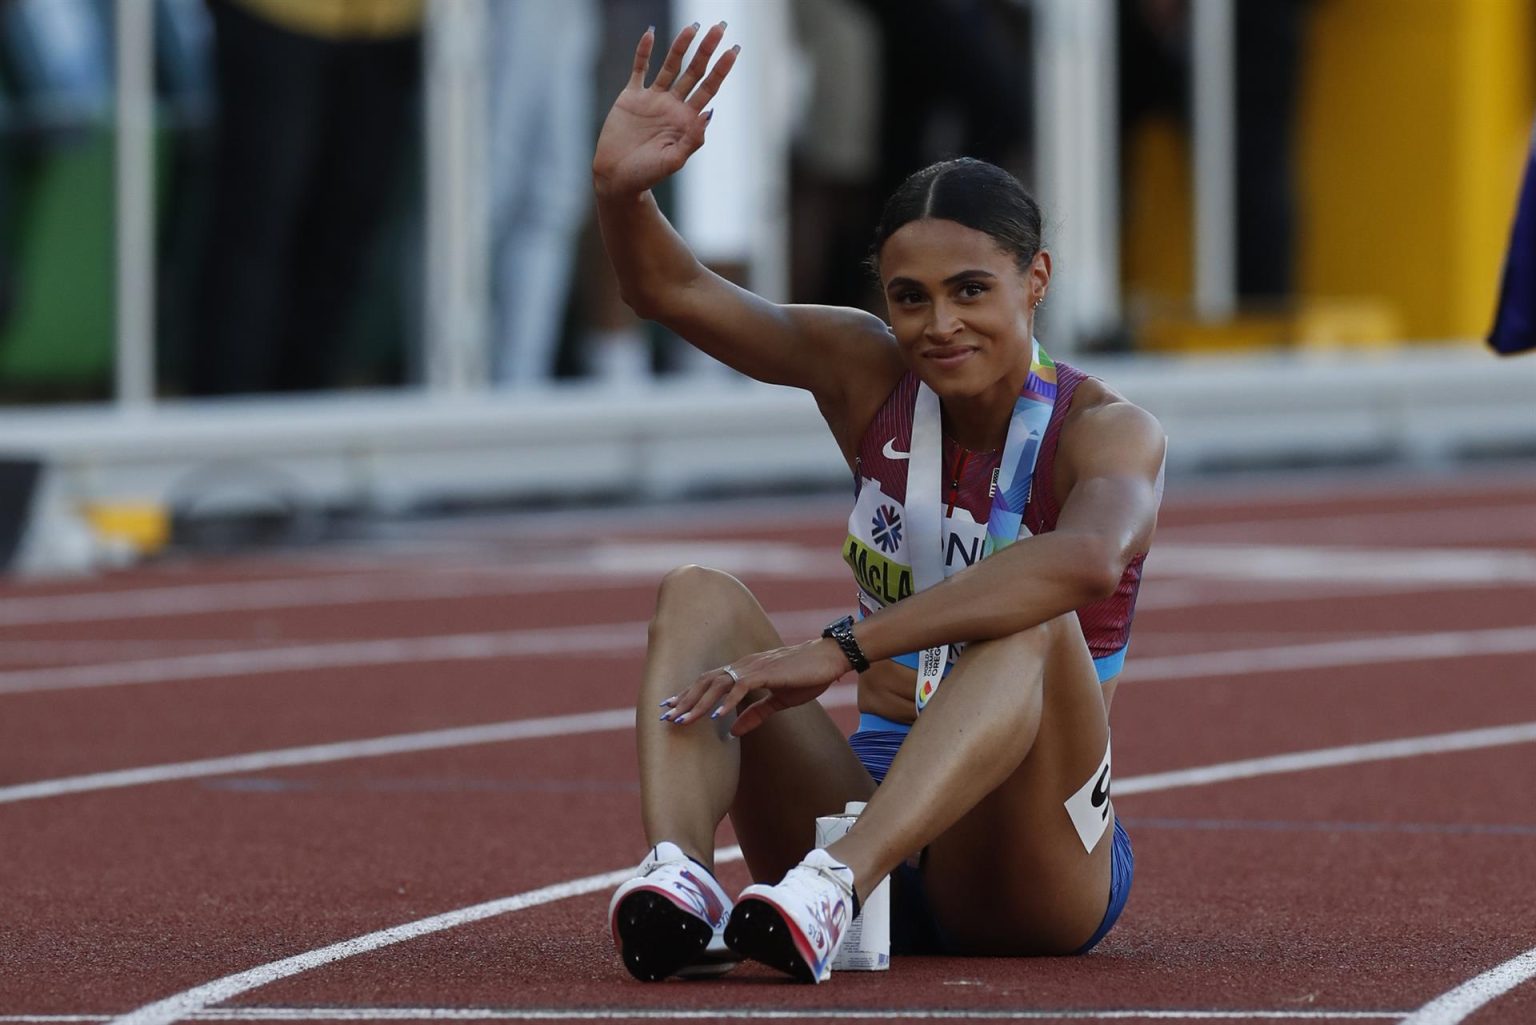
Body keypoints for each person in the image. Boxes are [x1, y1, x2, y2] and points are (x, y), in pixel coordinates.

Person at [595, 24, 1166, 983]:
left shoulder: (1105, 429)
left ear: (1036, 281)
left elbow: (1085, 562)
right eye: (911, 298)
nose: (940, 326)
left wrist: (847, 646)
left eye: (972, 291)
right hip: (860, 801)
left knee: (1028, 612)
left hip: (1027, 857)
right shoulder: (867, 372)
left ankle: (829, 891)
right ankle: (681, 878)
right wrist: (622, 192)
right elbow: (672, 289)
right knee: (697, 593)